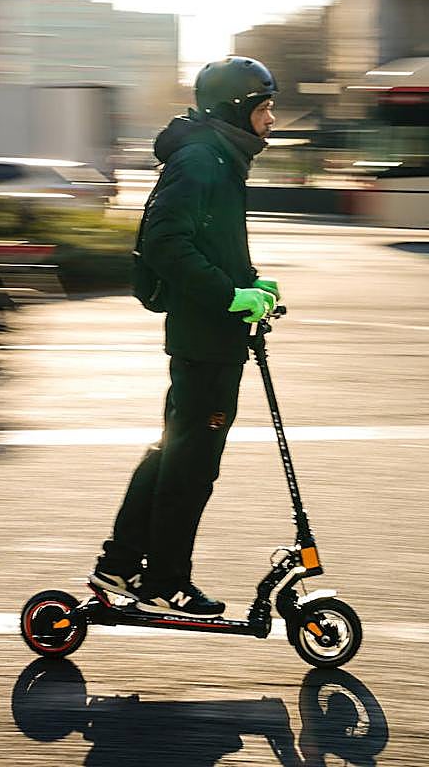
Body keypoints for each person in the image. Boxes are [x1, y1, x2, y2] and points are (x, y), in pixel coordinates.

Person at [89, 56, 282, 618]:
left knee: (174, 452)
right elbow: (166, 244)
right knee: (191, 465)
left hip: (210, 333)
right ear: (236, 109)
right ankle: (164, 579)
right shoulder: (201, 159)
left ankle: (120, 564)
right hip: (204, 336)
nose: (272, 119)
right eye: (265, 108)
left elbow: (207, 241)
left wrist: (250, 282)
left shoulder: (217, 157)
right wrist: (229, 295)